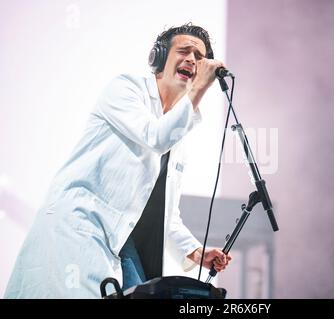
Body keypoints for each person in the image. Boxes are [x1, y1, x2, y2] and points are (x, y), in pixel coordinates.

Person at [5, 23, 232, 298]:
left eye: (199, 57)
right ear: (159, 58)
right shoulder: (126, 90)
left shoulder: (178, 133)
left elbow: (167, 215)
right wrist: (197, 92)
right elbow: (154, 136)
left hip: (118, 243)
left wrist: (196, 251)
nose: (192, 60)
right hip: (80, 225)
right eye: (184, 51)